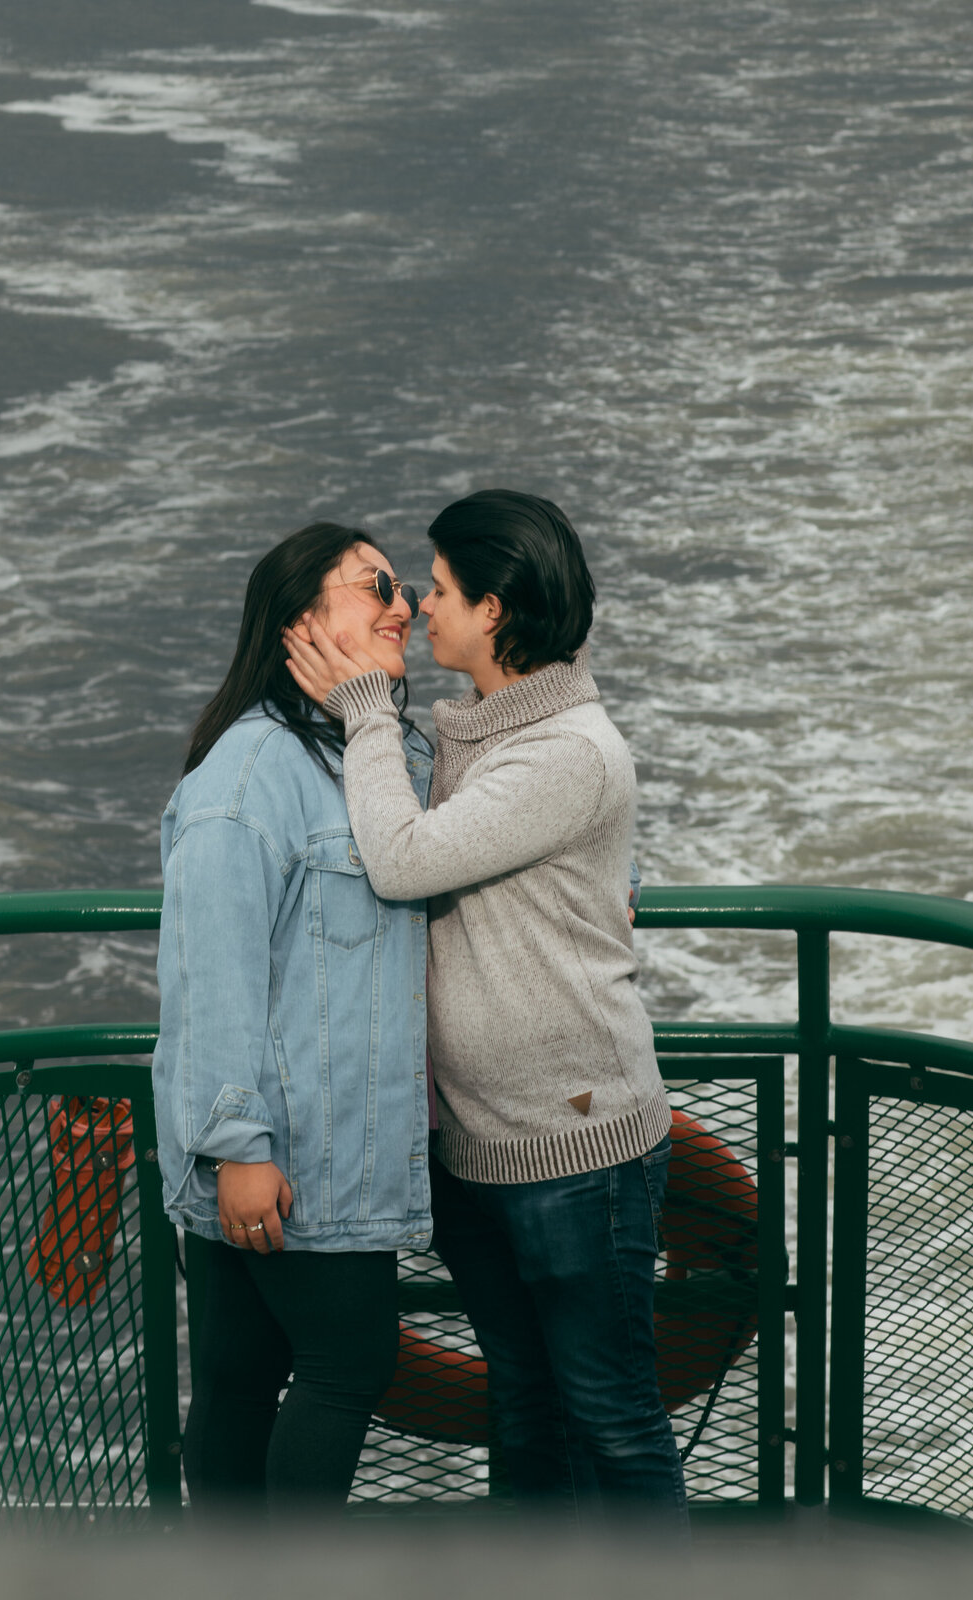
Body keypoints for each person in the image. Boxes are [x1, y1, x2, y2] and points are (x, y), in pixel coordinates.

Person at [283, 489, 688, 1529]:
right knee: (529, 1408)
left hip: (576, 1148)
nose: (419, 607)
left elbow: (405, 859)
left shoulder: (565, 751)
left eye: (443, 589)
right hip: (480, 1148)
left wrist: (368, 709)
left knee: (613, 1418)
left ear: (496, 611)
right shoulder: (488, 732)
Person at [151, 522, 433, 1516]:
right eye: (376, 587)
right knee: (351, 1360)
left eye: (400, 587)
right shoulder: (248, 778)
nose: (404, 605)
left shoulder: (371, 753)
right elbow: (212, 975)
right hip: (299, 1157)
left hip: (312, 1152)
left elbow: (481, 829)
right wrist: (239, 1144)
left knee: (239, 1372)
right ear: (301, 624)